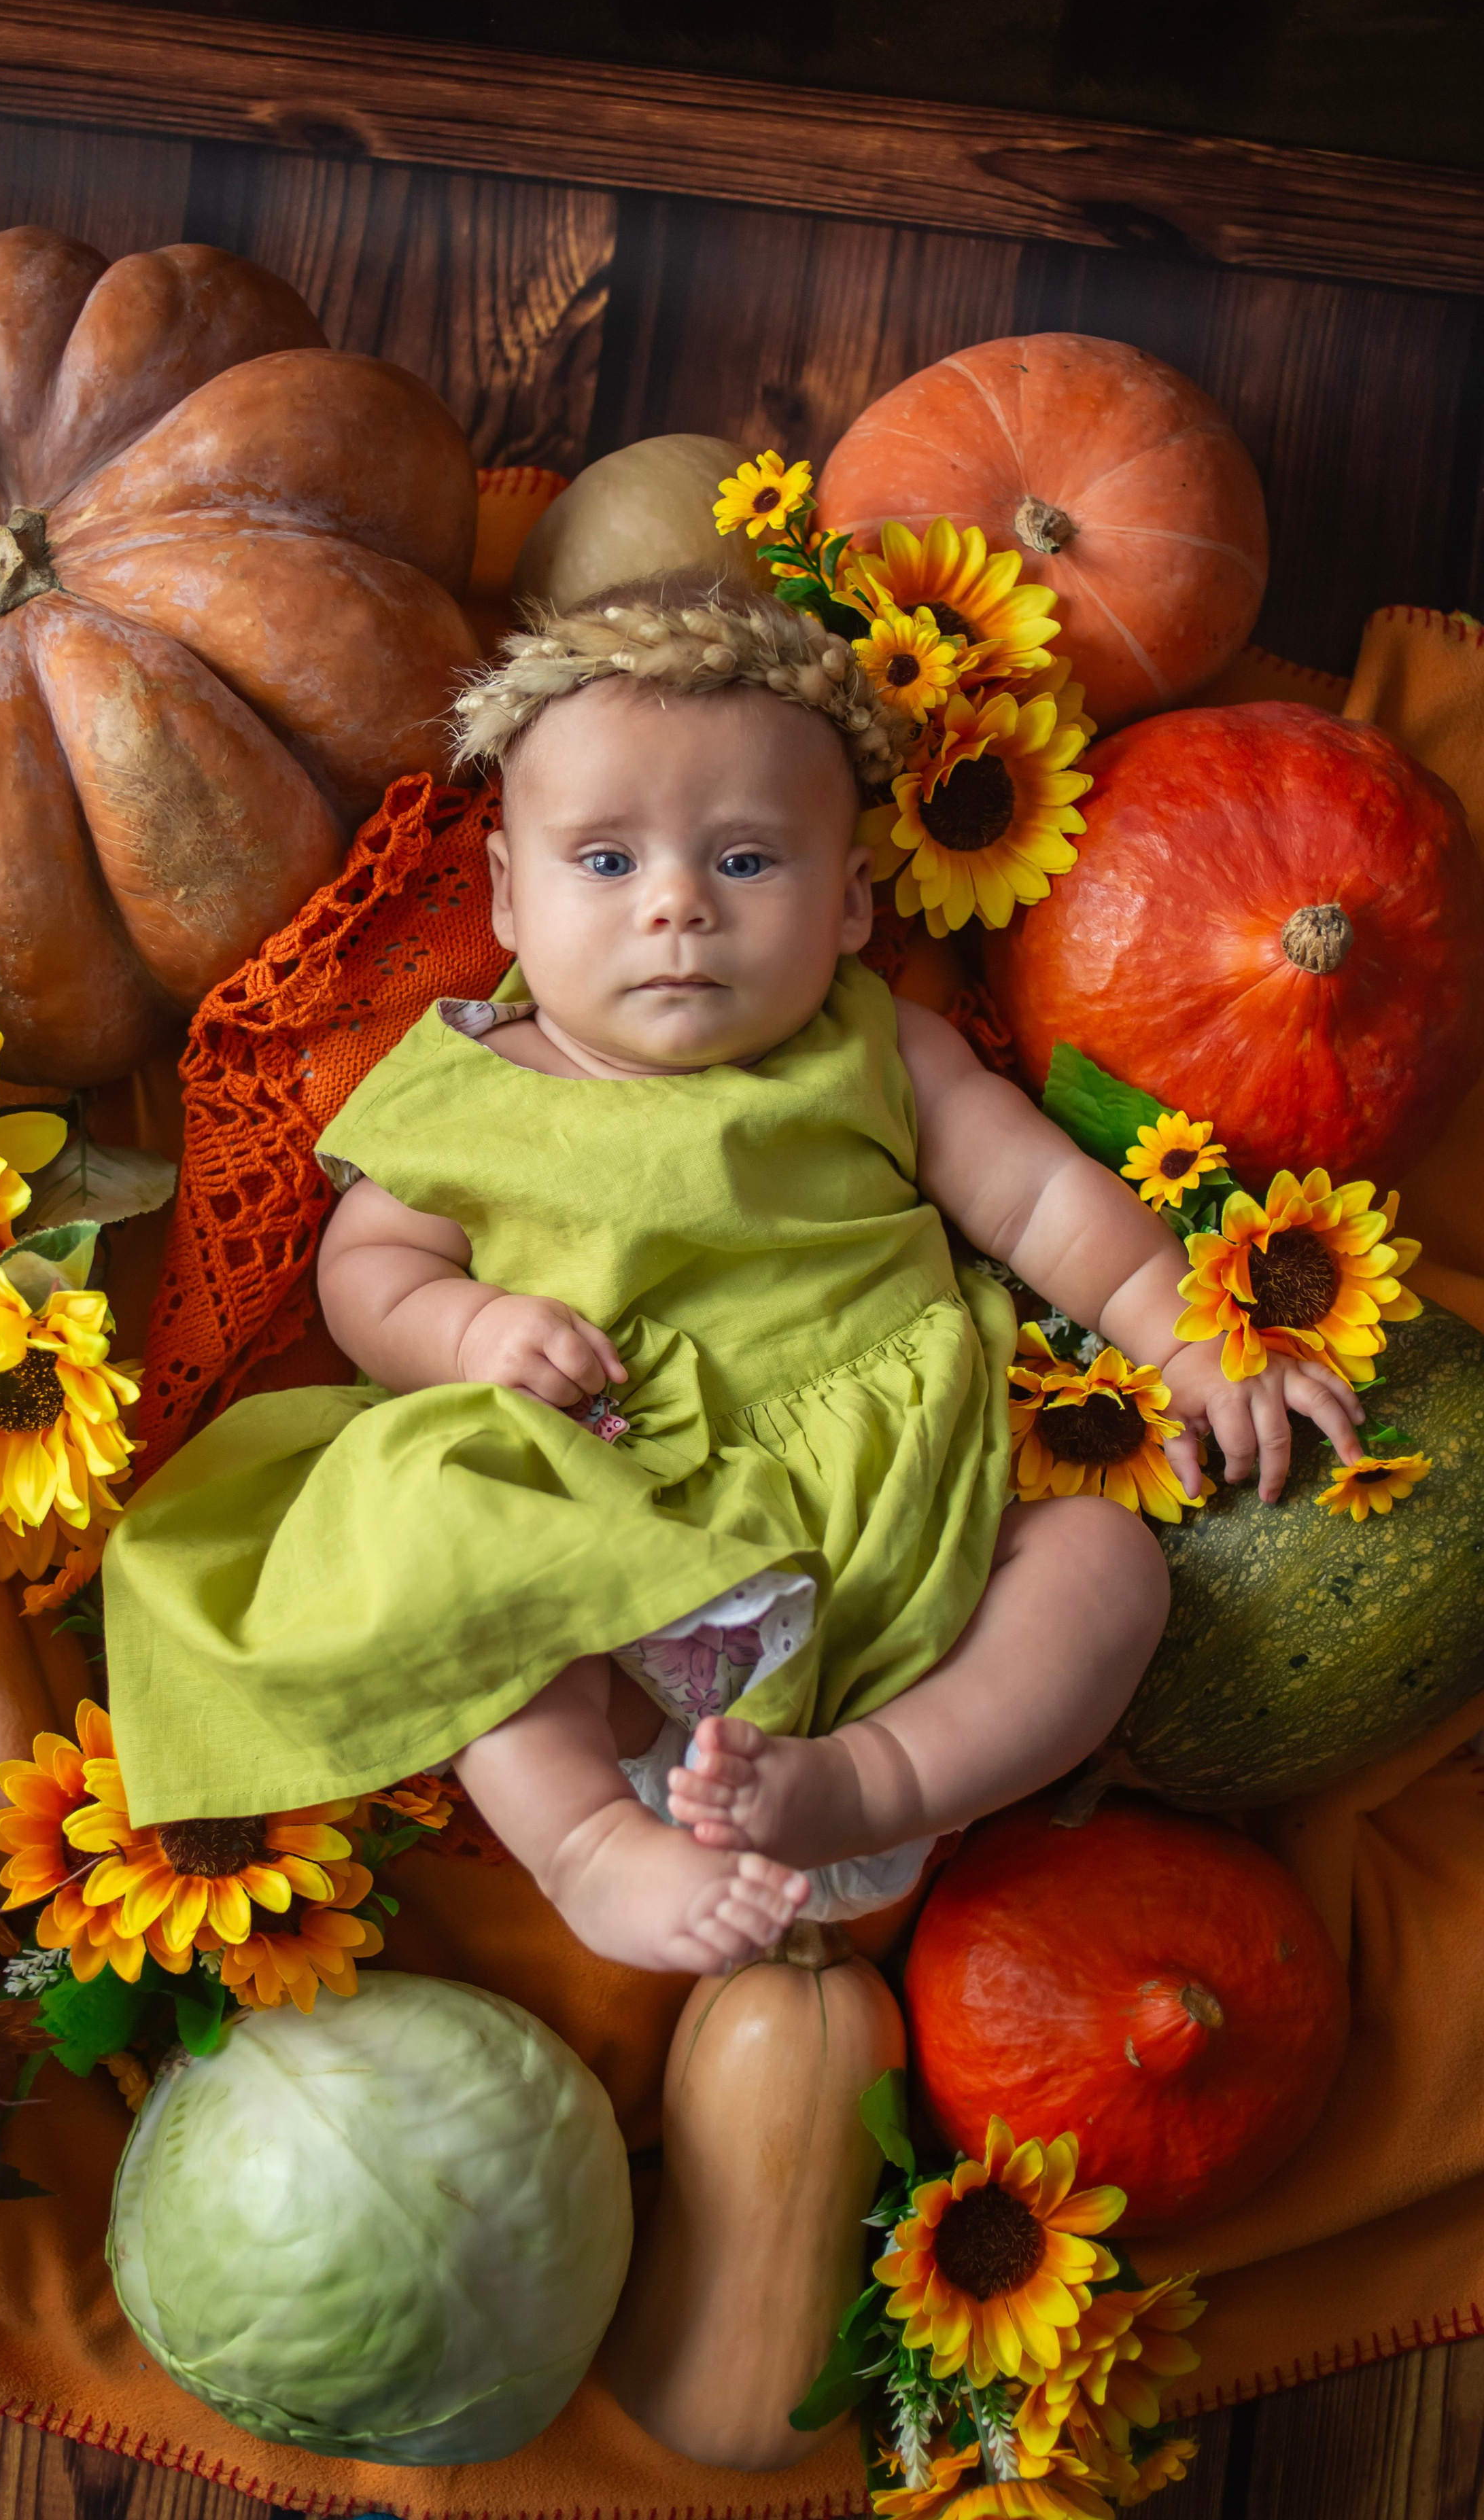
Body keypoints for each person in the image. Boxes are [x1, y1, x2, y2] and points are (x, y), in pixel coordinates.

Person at [105, 582, 1366, 1975]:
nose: (675, 908)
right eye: (603, 863)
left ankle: (871, 1779)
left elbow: (1042, 1196)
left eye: (746, 863)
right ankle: (589, 1840)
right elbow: (370, 1272)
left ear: (844, 904)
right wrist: (470, 1332)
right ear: (507, 900)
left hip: (897, 1519)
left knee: (1100, 1572)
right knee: (459, 1544)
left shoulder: (876, 1048)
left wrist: (1172, 1334)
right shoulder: (459, 1088)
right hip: (619, 1503)